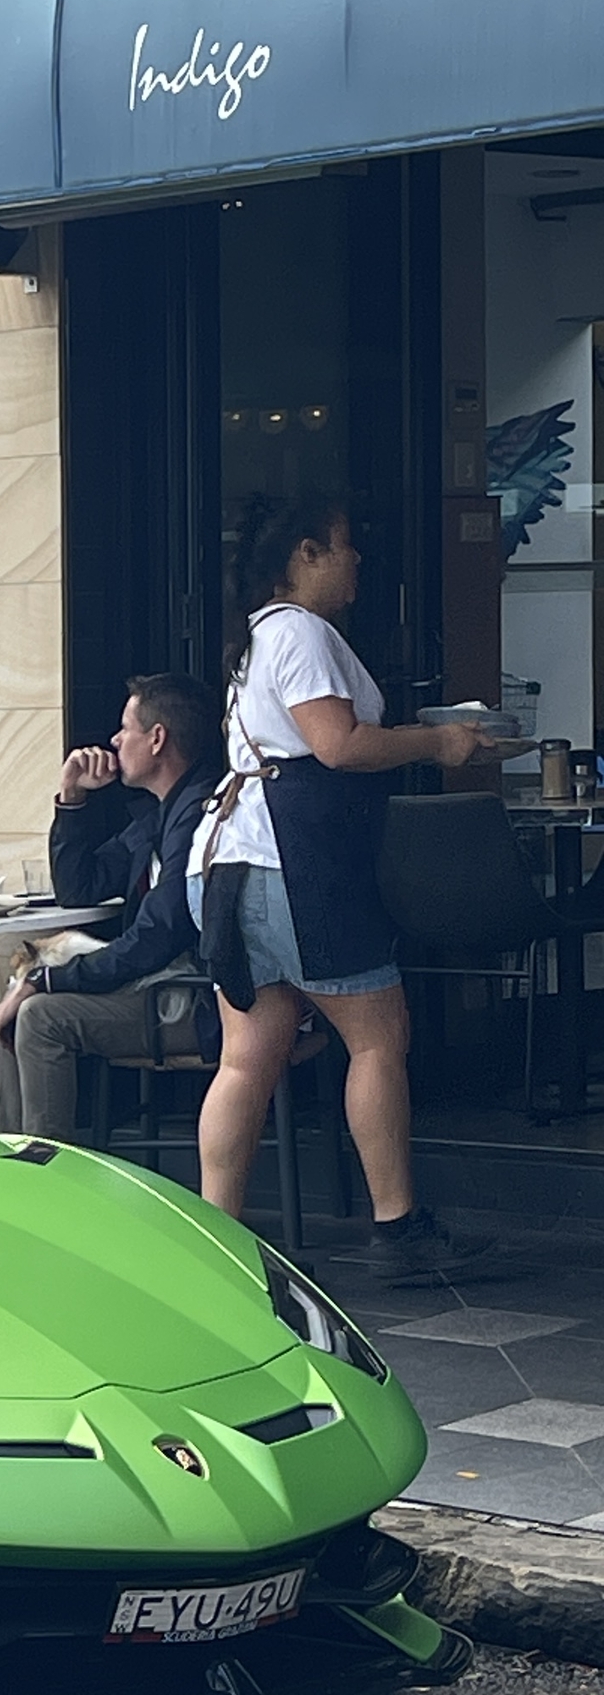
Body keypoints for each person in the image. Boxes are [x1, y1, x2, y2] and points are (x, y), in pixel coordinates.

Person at [190, 499, 503, 1283]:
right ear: (305, 554)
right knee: (377, 1035)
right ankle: (399, 1225)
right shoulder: (299, 631)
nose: (358, 560)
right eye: (346, 546)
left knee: (246, 1058)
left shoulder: (256, 637)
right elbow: (339, 745)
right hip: (296, 863)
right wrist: (439, 740)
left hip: (229, 865)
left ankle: (213, 1238)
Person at [0, 672, 221, 1141]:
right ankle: (8, 1160)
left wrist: (48, 981)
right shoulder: (160, 814)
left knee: (38, 1015)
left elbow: (155, 936)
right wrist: (71, 797)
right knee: (22, 994)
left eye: (125, 728)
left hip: (196, 1002)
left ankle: (40, 1174)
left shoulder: (198, 815)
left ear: (157, 739)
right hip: (160, 988)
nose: (113, 740)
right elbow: (81, 887)